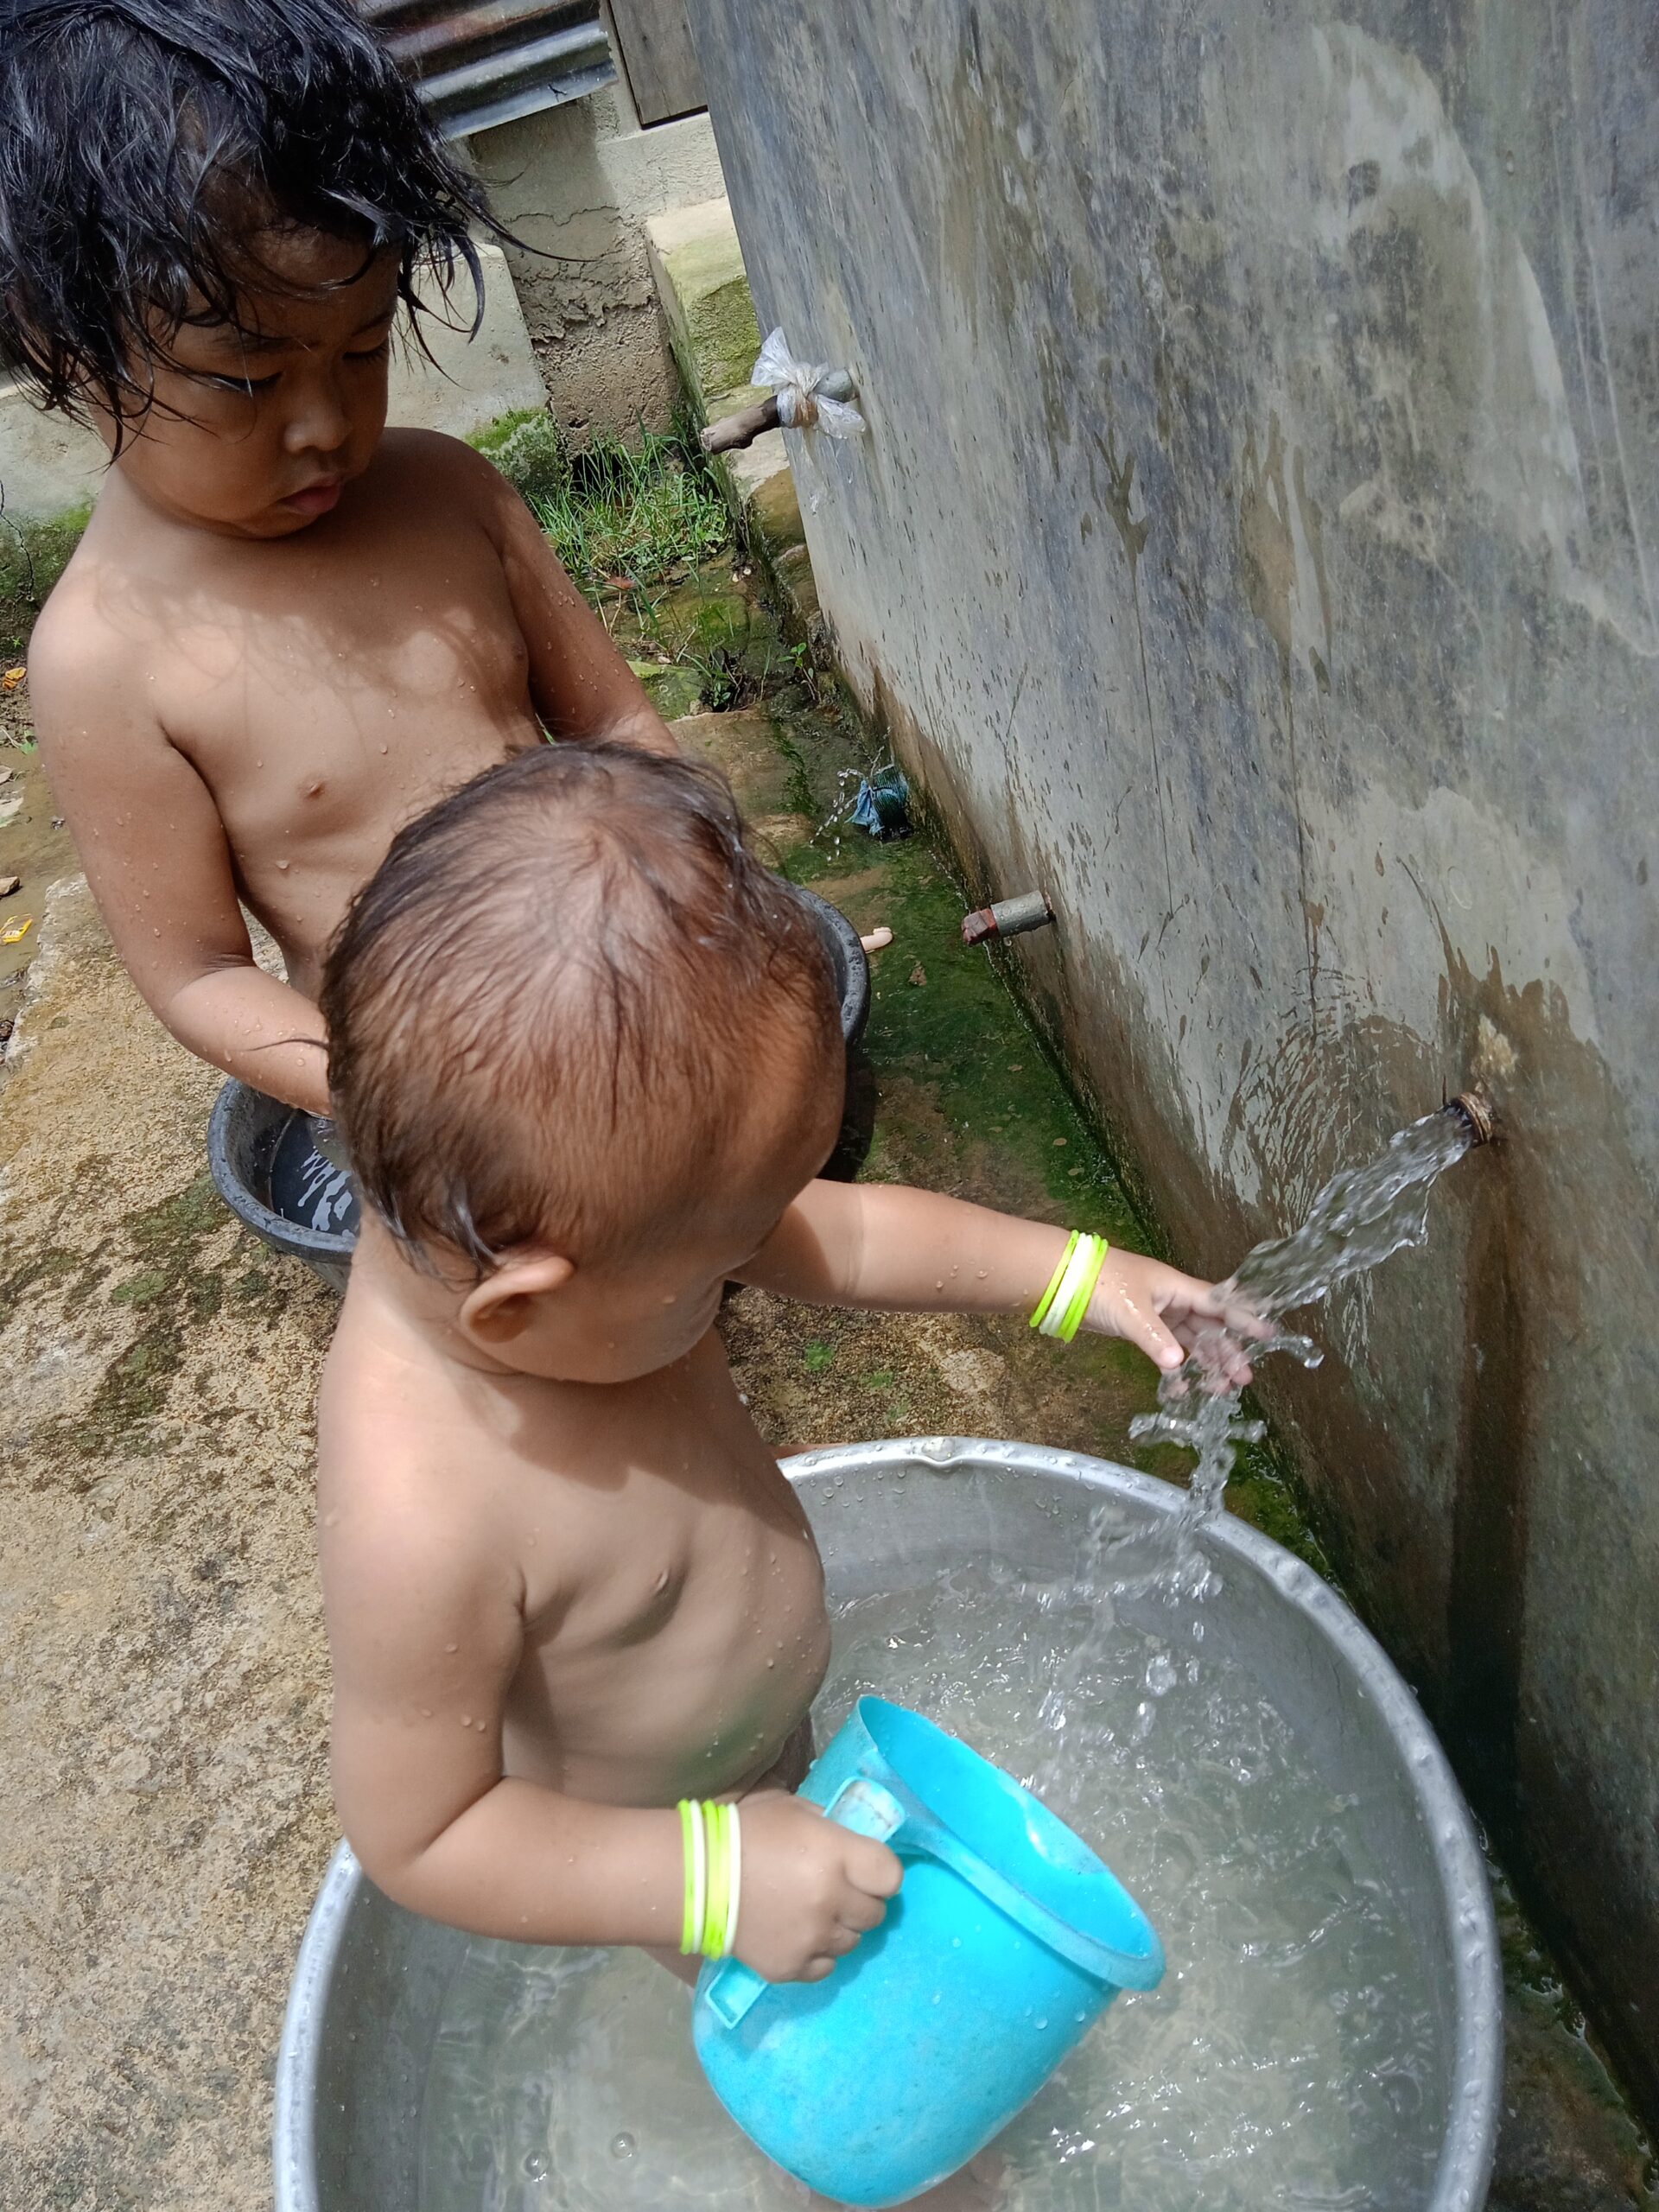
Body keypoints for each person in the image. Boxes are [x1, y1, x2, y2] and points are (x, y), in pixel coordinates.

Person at [315, 741, 1260, 1981]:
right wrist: (713, 1882)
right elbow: (422, 1833)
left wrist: (1086, 1277)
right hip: (665, 1847)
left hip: (775, 1747)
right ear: (524, 1310)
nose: (769, 1254)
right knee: (848, 2103)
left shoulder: (600, 1251)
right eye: (732, 1255)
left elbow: (854, 1235)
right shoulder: (422, 1515)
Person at [4, 0, 674, 1119]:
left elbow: (621, 730)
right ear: (62, 342)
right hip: (422, 1100)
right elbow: (198, 975)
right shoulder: (103, 658)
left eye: (362, 346)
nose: (324, 423)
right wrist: (395, 1099)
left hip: (634, 996)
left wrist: (714, 900)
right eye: (249, 378)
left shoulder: (451, 491)